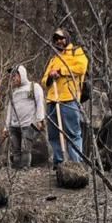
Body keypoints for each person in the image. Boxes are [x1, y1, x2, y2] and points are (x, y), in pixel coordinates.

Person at [42, 28, 89, 164]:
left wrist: (61, 71)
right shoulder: (53, 59)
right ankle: (59, 162)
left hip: (69, 98)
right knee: (53, 134)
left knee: (73, 133)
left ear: (67, 38)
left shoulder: (76, 52)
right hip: (52, 100)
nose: (59, 41)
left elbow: (81, 68)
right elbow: (44, 80)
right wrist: (50, 77)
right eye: (56, 39)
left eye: (61, 38)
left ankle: (76, 164)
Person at [4, 64, 46, 168]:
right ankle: (16, 169)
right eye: (12, 76)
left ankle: (25, 169)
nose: (13, 78)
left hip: (28, 124)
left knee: (25, 148)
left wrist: (40, 119)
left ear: (22, 74)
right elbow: (10, 109)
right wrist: (6, 126)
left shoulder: (34, 87)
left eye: (15, 75)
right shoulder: (13, 92)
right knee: (15, 149)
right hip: (14, 126)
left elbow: (40, 102)